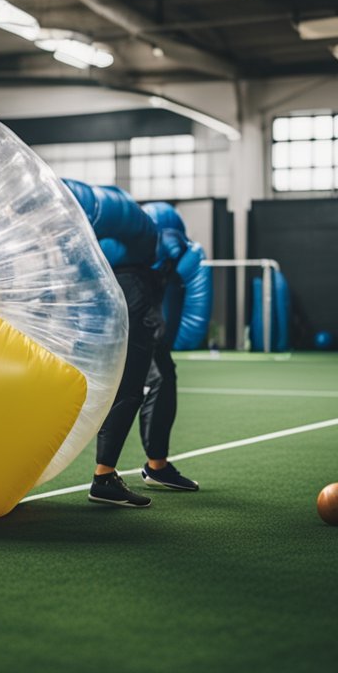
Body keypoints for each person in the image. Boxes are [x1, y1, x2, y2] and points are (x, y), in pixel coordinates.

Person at [61, 183, 195, 508]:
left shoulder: (138, 247)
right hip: (131, 292)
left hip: (131, 292)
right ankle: (103, 477)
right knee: (130, 384)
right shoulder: (146, 245)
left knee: (163, 375)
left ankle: (157, 466)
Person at [136, 202, 206, 495]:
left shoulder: (162, 264)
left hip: (144, 326)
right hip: (136, 325)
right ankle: (154, 467)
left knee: (158, 379)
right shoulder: (145, 257)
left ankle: (154, 465)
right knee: (159, 380)